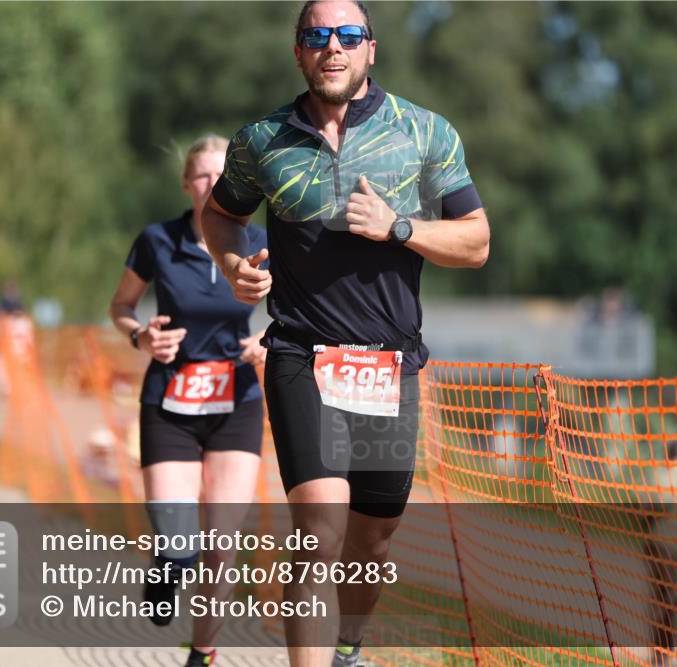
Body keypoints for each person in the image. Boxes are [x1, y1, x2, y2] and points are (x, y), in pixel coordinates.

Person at [202, 2, 489, 665]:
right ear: (298, 51)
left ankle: (349, 647)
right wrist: (233, 264)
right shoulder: (262, 140)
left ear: (371, 49)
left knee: (374, 538)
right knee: (318, 533)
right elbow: (220, 217)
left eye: (347, 36)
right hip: (302, 354)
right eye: (317, 36)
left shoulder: (424, 133)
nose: (333, 47)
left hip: (389, 365)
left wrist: (401, 226)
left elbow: (476, 242)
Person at [109, 134, 268, 667]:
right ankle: (169, 562)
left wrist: (268, 340)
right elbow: (122, 306)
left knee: (223, 544)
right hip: (170, 401)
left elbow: (297, 309)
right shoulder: (157, 241)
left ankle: (202, 654)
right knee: (180, 541)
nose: (210, 184)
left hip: (236, 400)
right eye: (201, 175)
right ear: (186, 183)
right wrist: (140, 337)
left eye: (221, 175)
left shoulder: (259, 241)